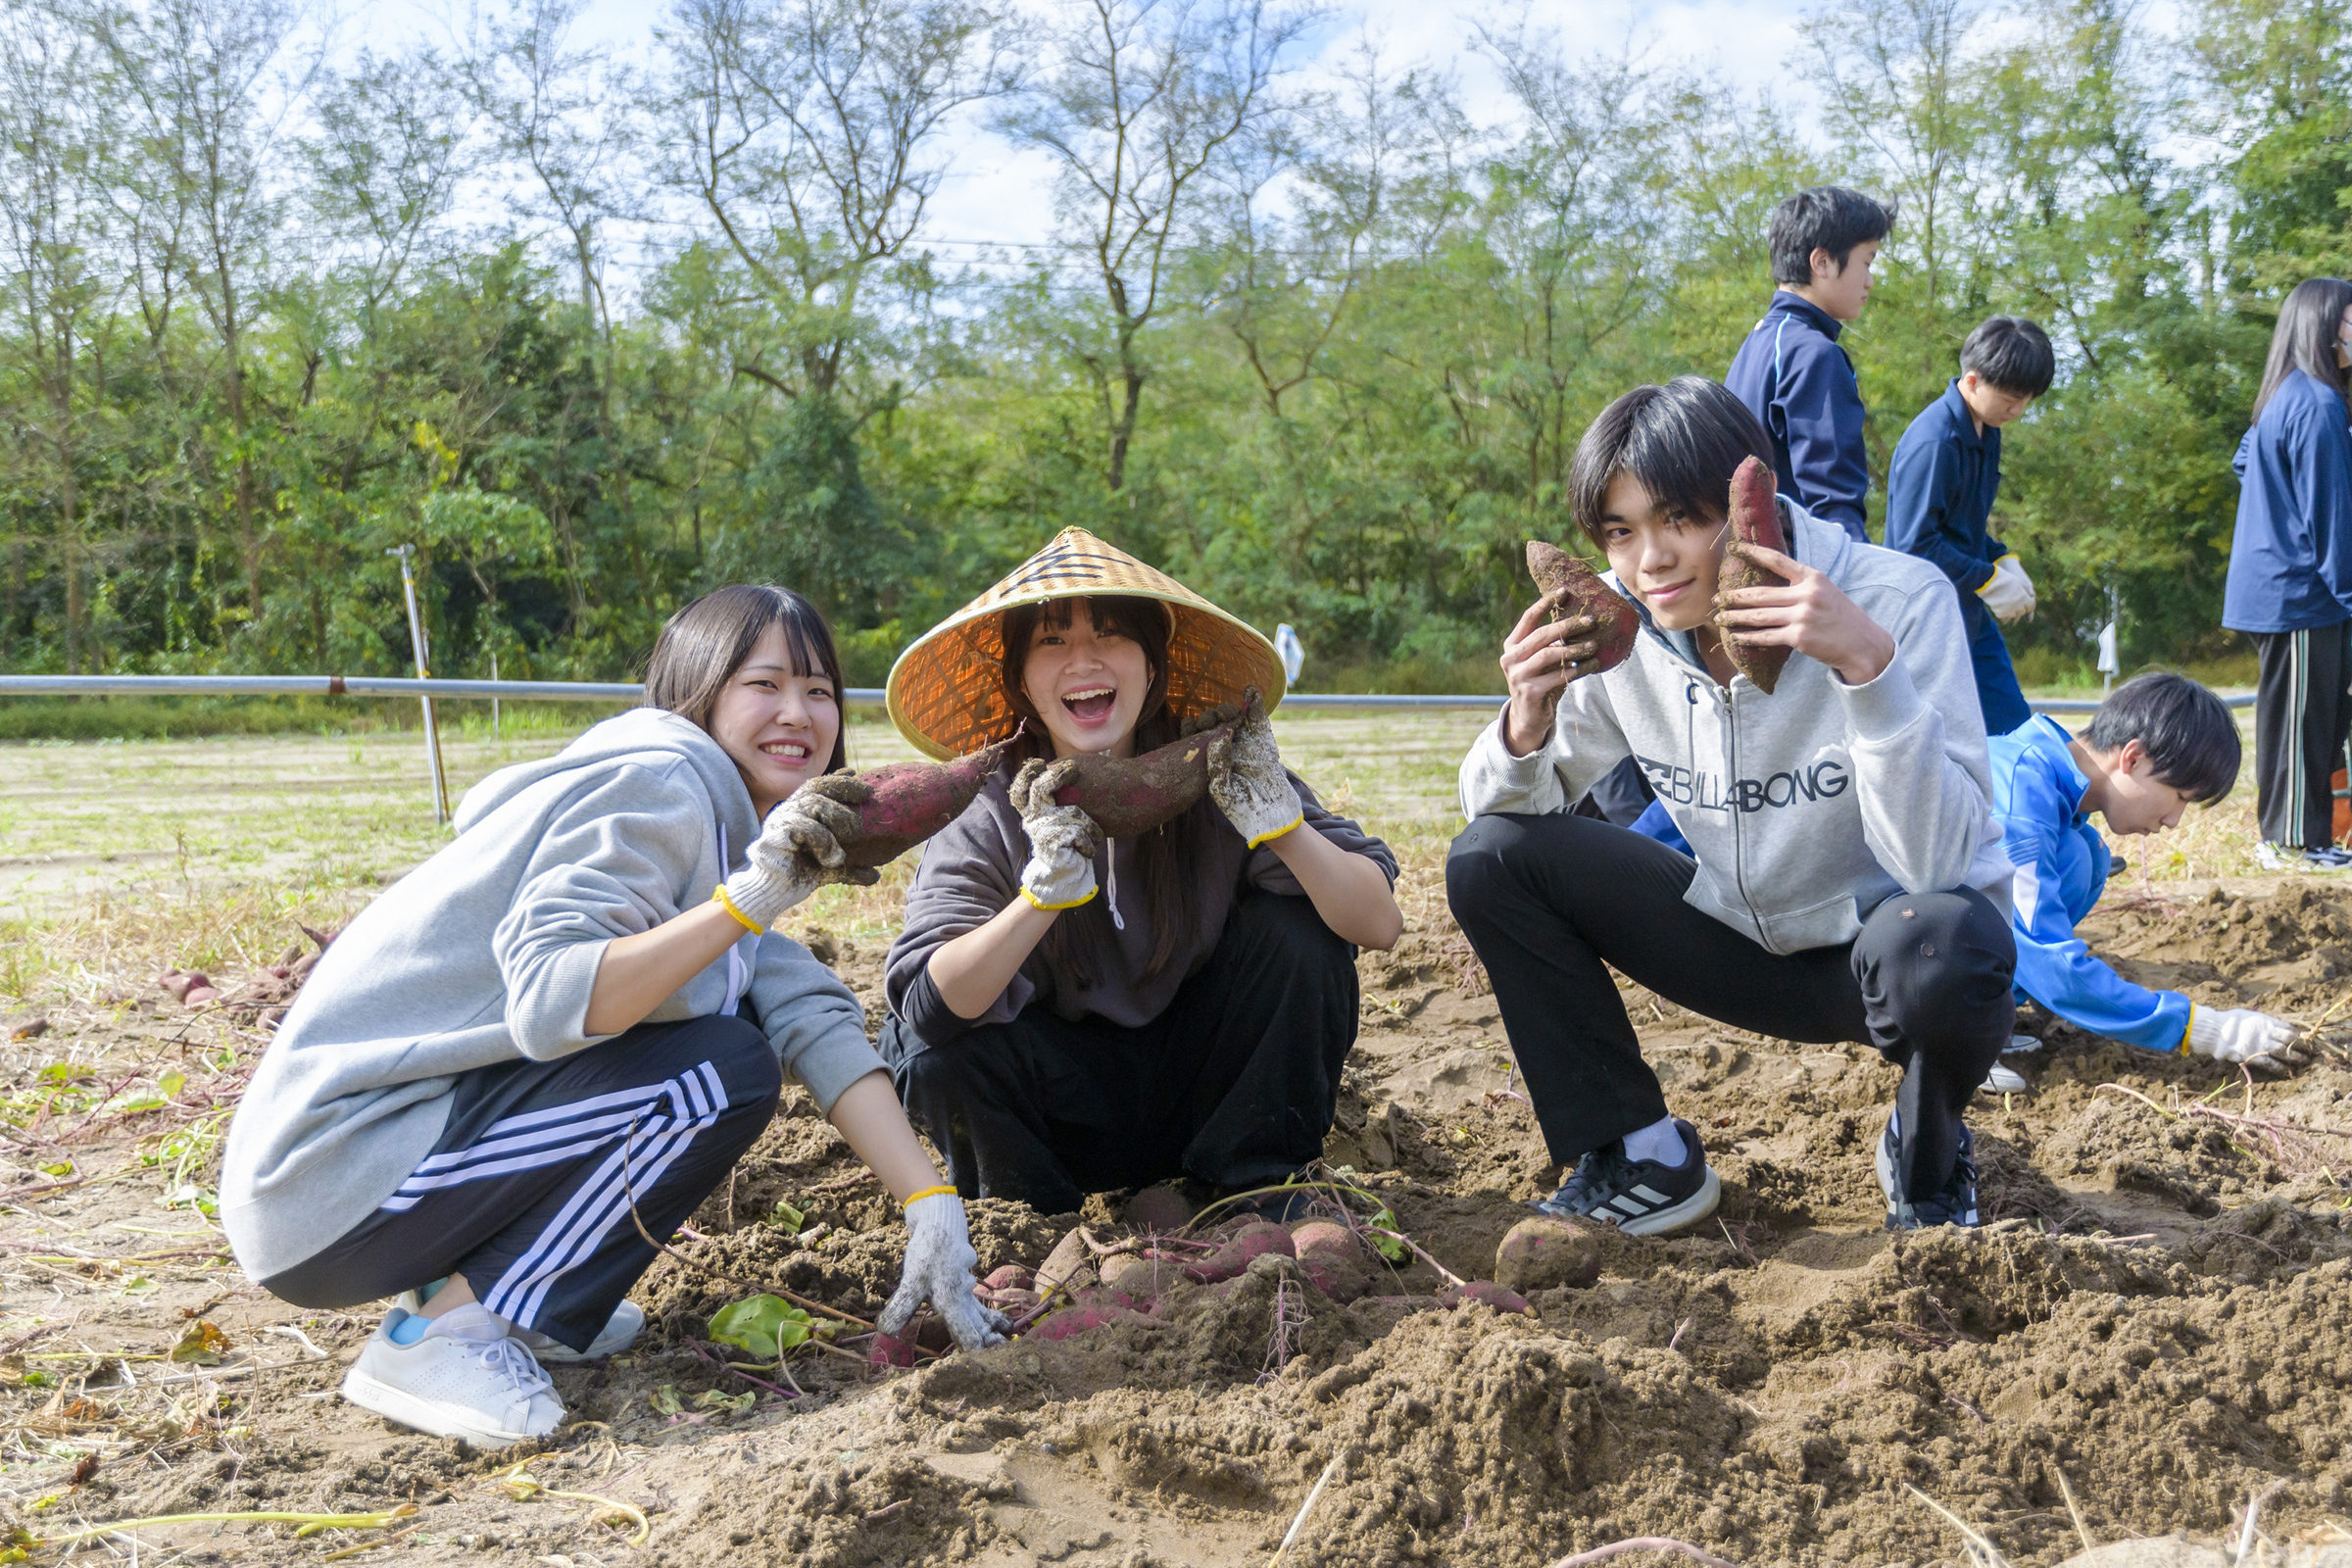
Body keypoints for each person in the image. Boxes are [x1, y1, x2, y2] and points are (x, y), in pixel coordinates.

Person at [220, 586, 1004, 1448]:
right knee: (718, 1071)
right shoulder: (660, 781)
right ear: (695, 693)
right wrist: (749, 900)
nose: (799, 713)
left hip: (373, 1174)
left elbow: (805, 1013)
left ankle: (524, 1300)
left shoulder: (726, 831)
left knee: (727, 1044)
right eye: (765, 684)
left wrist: (928, 1200)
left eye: (820, 690)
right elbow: (557, 999)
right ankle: (442, 1335)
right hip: (325, 1184)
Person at [1447, 376, 2018, 1235]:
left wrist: (1870, 670)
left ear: (1753, 498)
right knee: (1489, 860)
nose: (1651, 559)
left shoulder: (1897, 600)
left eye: (1679, 517)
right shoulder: (1622, 625)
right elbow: (1503, 811)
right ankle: (1642, 1153)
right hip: (1725, 939)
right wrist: (1525, 725)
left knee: (1953, 939)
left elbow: (1943, 867)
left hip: (1876, 961)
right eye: (1620, 531)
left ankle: (1926, 1153)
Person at [878, 528, 1402, 1217]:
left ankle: (1257, 1188)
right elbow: (929, 1005)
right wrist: (1040, 897)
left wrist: (1285, 827)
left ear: (1152, 664)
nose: (1083, 662)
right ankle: (1034, 1225)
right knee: (925, 1045)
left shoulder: (1218, 766)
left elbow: (1378, 924)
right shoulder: (989, 802)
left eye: (1112, 636)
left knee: (1299, 928)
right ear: (1022, 680)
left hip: (1205, 1094)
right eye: (1053, 642)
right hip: (1059, 1117)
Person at [1991, 673, 2302, 1069]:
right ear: (2133, 757)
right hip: (1908, 956)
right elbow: (2047, 955)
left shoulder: (2045, 788)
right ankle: (1949, 1035)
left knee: (2082, 856)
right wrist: (2199, 1027)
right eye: (2179, 797)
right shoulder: (2017, 798)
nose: (2174, 820)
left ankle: (1982, 1015)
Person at [2224, 276, 2352, 872]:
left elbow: (2245, 458)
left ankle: (2307, 840)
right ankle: (2292, 843)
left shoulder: (2289, 394)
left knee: (2310, 718)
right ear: (2325, 326)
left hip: (2290, 588)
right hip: (2300, 592)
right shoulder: (2319, 405)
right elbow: (2331, 518)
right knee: (2301, 724)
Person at [1886, 316, 2056, 737]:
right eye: (2011, 398)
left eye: (2027, 399)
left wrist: (2002, 558)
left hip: (1969, 615)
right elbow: (1914, 546)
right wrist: (1989, 578)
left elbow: (1963, 527)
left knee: (2016, 733)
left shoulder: (1987, 430)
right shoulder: (1935, 442)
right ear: (1974, 380)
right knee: (1946, 743)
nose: (2019, 411)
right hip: (1925, 624)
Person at [1725, 186, 1897, 544]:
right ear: (1821, 262)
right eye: (1867, 262)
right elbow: (1833, 506)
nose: (1870, 281)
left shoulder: (1756, 344)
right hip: (1799, 574)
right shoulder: (1814, 354)